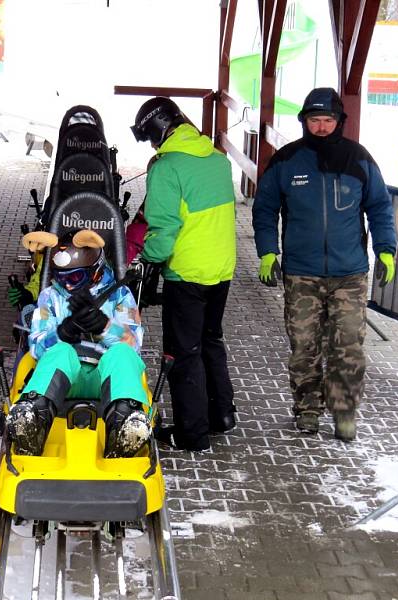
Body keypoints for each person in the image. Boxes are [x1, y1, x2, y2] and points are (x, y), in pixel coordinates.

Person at [252, 88, 396, 442]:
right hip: (301, 272)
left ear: (339, 122)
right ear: (304, 121)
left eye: (327, 120)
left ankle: (344, 411)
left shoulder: (358, 159)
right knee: (304, 345)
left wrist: (386, 248)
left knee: (347, 345)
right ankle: (308, 409)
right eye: (314, 120)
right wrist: (268, 251)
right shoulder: (287, 160)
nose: (320, 127)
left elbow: (379, 206)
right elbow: (265, 207)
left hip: (350, 274)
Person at [131, 97, 237, 452]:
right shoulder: (217, 159)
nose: (152, 145)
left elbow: (164, 227)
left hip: (187, 272)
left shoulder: (167, 167)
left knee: (183, 352)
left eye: (150, 137)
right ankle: (221, 414)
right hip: (221, 268)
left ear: (159, 130)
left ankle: (192, 433)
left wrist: (147, 258)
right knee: (211, 340)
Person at [5, 229, 151, 458]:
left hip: (106, 380)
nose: (67, 285)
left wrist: (104, 326)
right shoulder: (50, 297)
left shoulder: (120, 295)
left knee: (122, 354)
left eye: (74, 278)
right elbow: (36, 347)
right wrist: (63, 332)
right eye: (61, 277)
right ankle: (32, 422)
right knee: (60, 351)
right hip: (63, 380)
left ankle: (125, 425)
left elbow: (134, 345)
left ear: (95, 271)